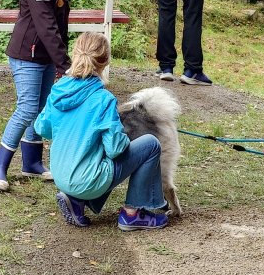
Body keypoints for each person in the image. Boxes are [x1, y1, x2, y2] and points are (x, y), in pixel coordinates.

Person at [0, 0, 94, 192]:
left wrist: (59, 62)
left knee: (42, 108)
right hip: (27, 55)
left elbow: (60, 28)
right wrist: (66, 65)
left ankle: (32, 163)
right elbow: (46, 28)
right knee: (26, 109)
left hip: (45, 55)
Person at [34, 32, 168, 231]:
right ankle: (132, 214)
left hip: (60, 174)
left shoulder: (58, 89)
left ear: (75, 54)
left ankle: (77, 201)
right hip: (87, 180)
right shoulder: (104, 99)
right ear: (105, 62)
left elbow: (41, 128)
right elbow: (115, 149)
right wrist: (123, 134)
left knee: (96, 156)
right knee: (150, 144)